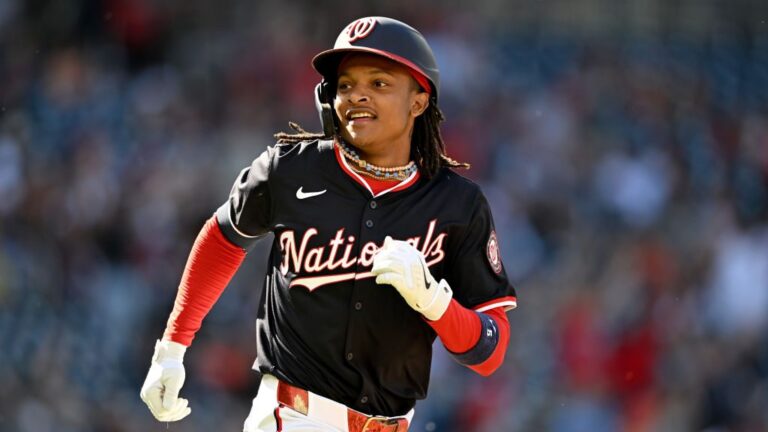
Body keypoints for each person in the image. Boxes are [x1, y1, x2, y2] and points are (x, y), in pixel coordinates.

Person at [140, 16, 517, 432]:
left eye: (379, 83)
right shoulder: (289, 171)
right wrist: (172, 348)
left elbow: (490, 351)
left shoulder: (457, 204)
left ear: (419, 101)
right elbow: (223, 239)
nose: (358, 96)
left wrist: (435, 303)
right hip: (294, 416)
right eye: (346, 84)